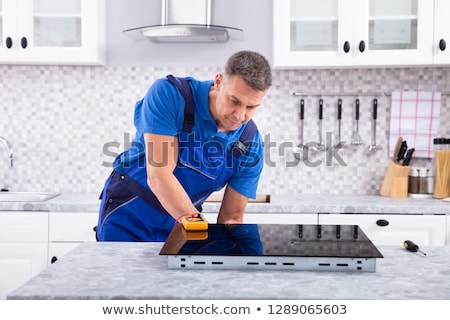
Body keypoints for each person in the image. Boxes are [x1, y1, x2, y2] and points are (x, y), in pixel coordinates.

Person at [96, 50, 272, 242]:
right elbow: (159, 176)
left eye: (251, 107)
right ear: (218, 82)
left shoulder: (249, 144)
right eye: (234, 101)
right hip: (128, 217)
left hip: (181, 230)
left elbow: (232, 219)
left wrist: (245, 257)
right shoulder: (170, 95)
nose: (239, 115)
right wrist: (197, 226)